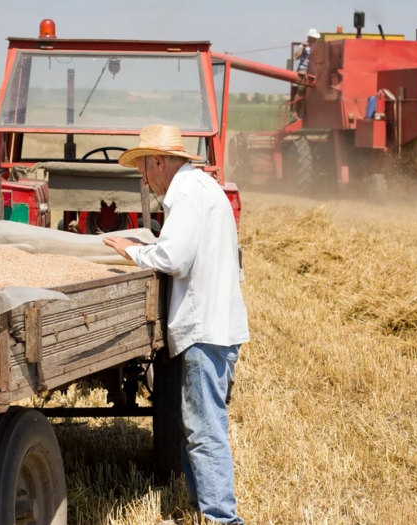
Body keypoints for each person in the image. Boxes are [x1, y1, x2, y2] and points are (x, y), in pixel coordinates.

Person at [104, 124, 249, 525]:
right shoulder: (203, 188)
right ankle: (204, 509)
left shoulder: (185, 194)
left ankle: (223, 519)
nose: (144, 178)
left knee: (204, 430)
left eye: (144, 168)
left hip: (206, 328)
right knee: (198, 425)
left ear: (158, 161)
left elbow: (174, 260)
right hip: (218, 324)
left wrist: (134, 251)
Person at [292, 28, 320, 118]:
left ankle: (303, 112)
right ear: (309, 37)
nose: (315, 39)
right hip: (303, 69)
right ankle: (294, 111)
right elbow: (296, 56)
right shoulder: (303, 46)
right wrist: (303, 47)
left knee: (308, 92)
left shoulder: (316, 46)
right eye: (314, 37)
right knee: (301, 90)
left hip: (312, 70)